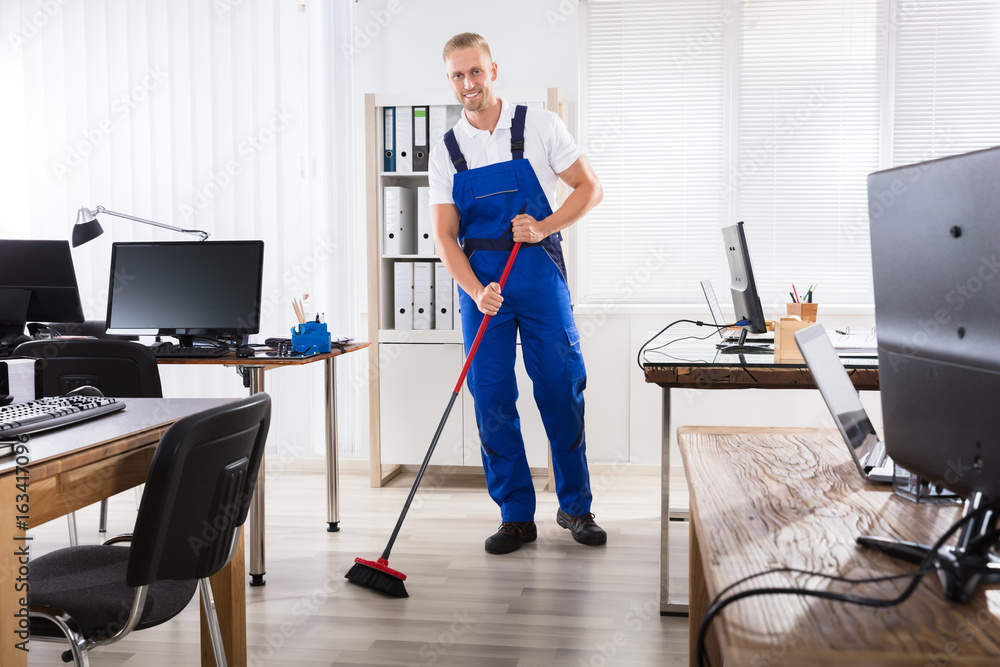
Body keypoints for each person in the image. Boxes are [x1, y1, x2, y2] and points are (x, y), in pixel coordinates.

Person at [429, 32, 605, 555]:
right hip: (482, 286)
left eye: (476, 72)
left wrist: (544, 224)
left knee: (561, 389)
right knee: (492, 400)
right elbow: (444, 235)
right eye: (458, 75)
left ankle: (576, 508)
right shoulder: (448, 149)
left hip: (537, 274)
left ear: (493, 70)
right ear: (450, 80)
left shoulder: (540, 125)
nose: (468, 84)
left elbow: (590, 187)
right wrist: (475, 289)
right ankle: (515, 516)